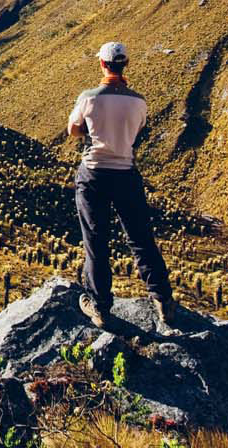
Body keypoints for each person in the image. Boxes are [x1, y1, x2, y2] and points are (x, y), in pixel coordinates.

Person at [66, 41, 177, 330]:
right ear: (124, 65)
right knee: (141, 238)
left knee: (96, 240)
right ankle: (163, 300)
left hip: (93, 175)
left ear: (102, 64)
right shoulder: (138, 102)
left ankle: (100, 306)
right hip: (126, 173)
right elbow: (137, 131)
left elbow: (73, 130)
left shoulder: (88, 98)